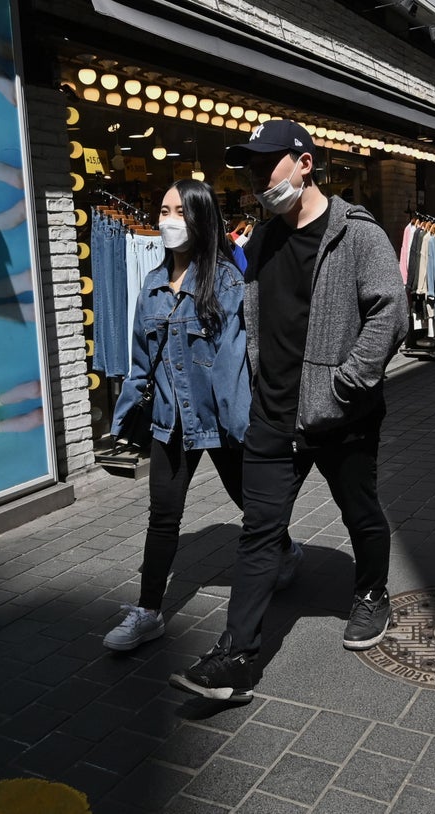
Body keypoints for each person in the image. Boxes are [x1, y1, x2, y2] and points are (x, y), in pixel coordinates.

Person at [170, 120, 409, 702]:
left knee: (361, 513)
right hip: (272, 416)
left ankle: (371, 593)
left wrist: (347, 385)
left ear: (305, 163)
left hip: (341, 415)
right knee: (258, 533)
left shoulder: (357, 234)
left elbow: (390, 312)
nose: (257, 177)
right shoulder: (265, 239)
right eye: (250, 166)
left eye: (267, 163)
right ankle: (236, 659)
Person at [102, 179, 301, 652]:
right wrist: (123, 425)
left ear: (200, 220)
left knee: (250, 505)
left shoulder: (228, 283)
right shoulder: (151, 286)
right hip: (171, 421)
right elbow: (140, 363)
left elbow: (237, 360)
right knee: (163, 516)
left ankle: (285, 549)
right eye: (163, 210)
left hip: (221, 419)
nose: (167, 221)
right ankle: (149, 611)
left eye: (178, 212)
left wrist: (249, 427)